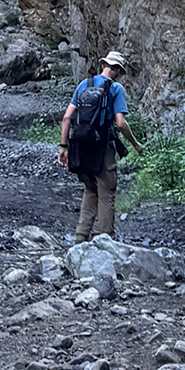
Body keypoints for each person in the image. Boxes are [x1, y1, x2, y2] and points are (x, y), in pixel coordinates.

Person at [60, 48, 138, 241]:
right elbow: (120, 123)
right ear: (118, 71)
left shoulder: (84, 84)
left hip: (80, 147)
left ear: (103, 65)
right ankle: (105, 239)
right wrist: (135, 144)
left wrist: (64, 147)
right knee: (106, 193)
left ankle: (81, 236)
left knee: (90, 190)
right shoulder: (116, 89)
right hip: (102, 148)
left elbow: (67, 117)